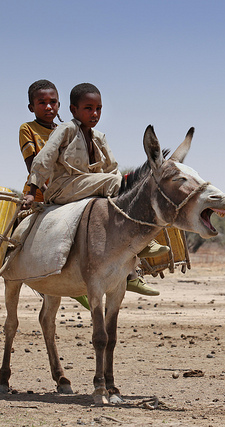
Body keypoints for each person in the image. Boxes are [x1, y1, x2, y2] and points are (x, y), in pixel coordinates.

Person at [22, 82, 166, 295]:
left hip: (88, 187)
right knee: (115, 183)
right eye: (88, 108)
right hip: (63, 187)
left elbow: (112, 168)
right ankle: (145, 241)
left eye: (98, 108)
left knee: (119, 187)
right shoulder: (66, 130)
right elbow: (44, 158)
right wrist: (32, 191)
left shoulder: (99, 137)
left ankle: (131, 272)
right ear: (74, 110)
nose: (95, 113)